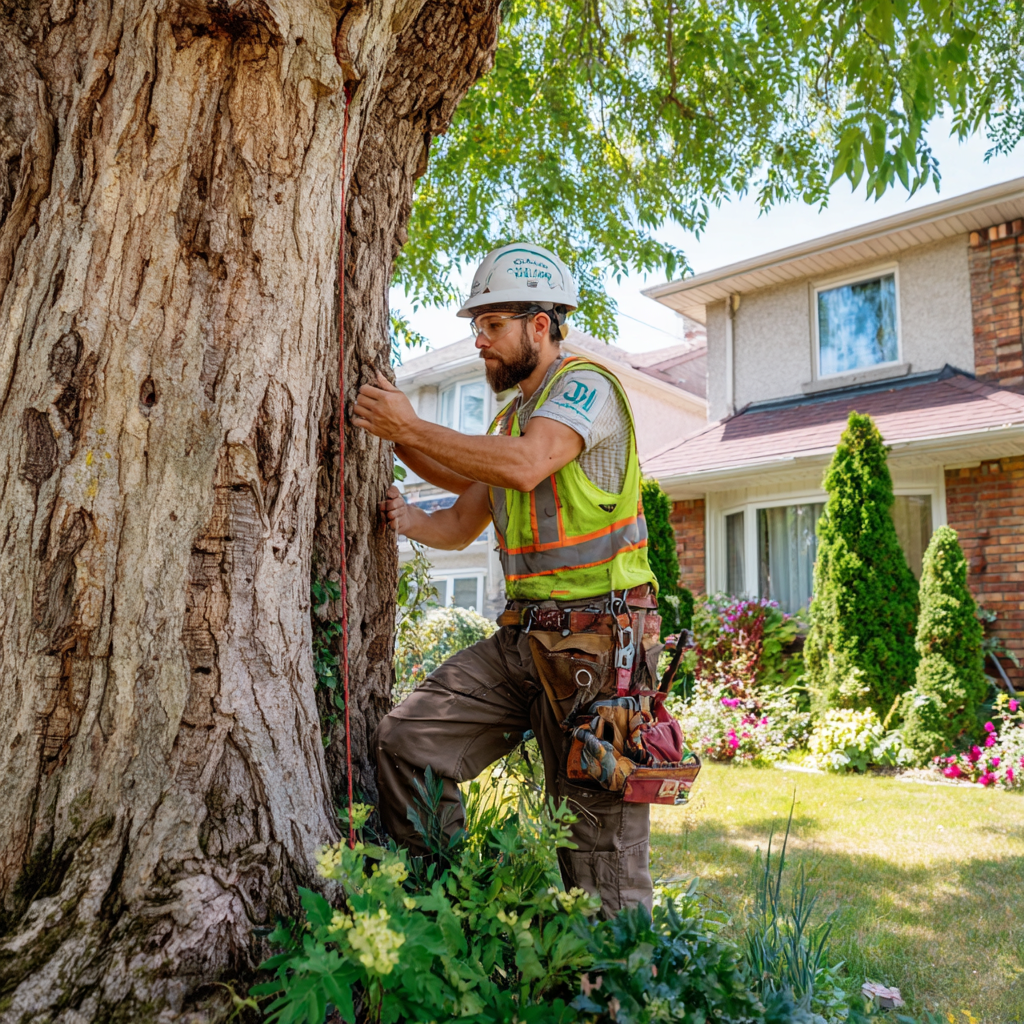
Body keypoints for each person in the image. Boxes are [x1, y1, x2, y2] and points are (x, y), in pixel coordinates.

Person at [353, 242, 661, 915]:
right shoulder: (509, 420)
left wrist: (408, 424)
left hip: (600, 649)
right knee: (409, 742)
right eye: (477, 327)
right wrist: (404, 496)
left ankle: (616, 995)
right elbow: (462, 518)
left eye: (493, 326)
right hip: (522, 644)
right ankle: (452, 912)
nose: (480, 342)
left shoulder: (586, 388)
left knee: (595, 852)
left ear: (541, 326)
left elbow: (525, 466)